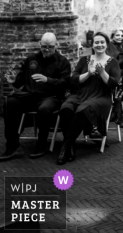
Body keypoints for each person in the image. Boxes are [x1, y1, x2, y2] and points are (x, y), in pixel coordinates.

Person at [1, 33, 71, 161]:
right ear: (40, 44)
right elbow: (21, 81)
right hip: (30, 95)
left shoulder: (62, 62)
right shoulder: (31, 59)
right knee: (9, 102)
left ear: (56, 45)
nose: (47, 49)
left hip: (51, 97)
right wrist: (14, 81)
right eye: (44, 46)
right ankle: (12, 144)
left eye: (50, 46)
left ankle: (41, 143)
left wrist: (47, 80)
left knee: (44, 109)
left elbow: (65, 83)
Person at [57, 32, 120, 164]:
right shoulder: (84, 60)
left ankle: (65, 146)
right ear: (92, 44)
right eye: (96, 42)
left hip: (101, 96)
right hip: (81, 94)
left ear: (107, 44)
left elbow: (113, 83)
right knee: (66, 108)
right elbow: (73, 79)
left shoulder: (113, 62)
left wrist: (102, 72)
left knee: (83, 109)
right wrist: (88, 73)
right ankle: (71, 145)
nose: (99, 45)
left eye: (102, 42)